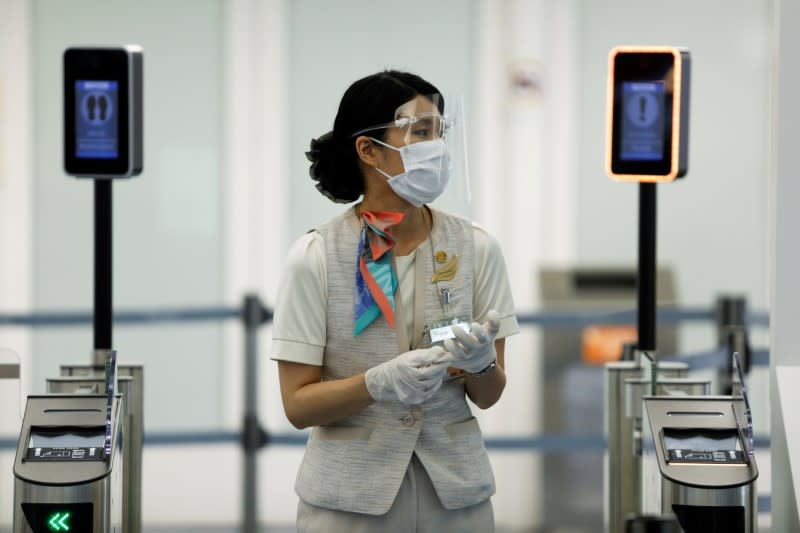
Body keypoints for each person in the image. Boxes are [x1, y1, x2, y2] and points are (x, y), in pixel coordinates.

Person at [271, 70, 519, 532]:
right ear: (368, 149)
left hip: (454, 496)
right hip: (349, 502)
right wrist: (377, 383)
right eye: (419, 132)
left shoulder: (476, 247)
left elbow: (489, 395)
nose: (436, 147)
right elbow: (298, 406)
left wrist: (484, 364)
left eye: (439, 132)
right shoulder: (315, 257)